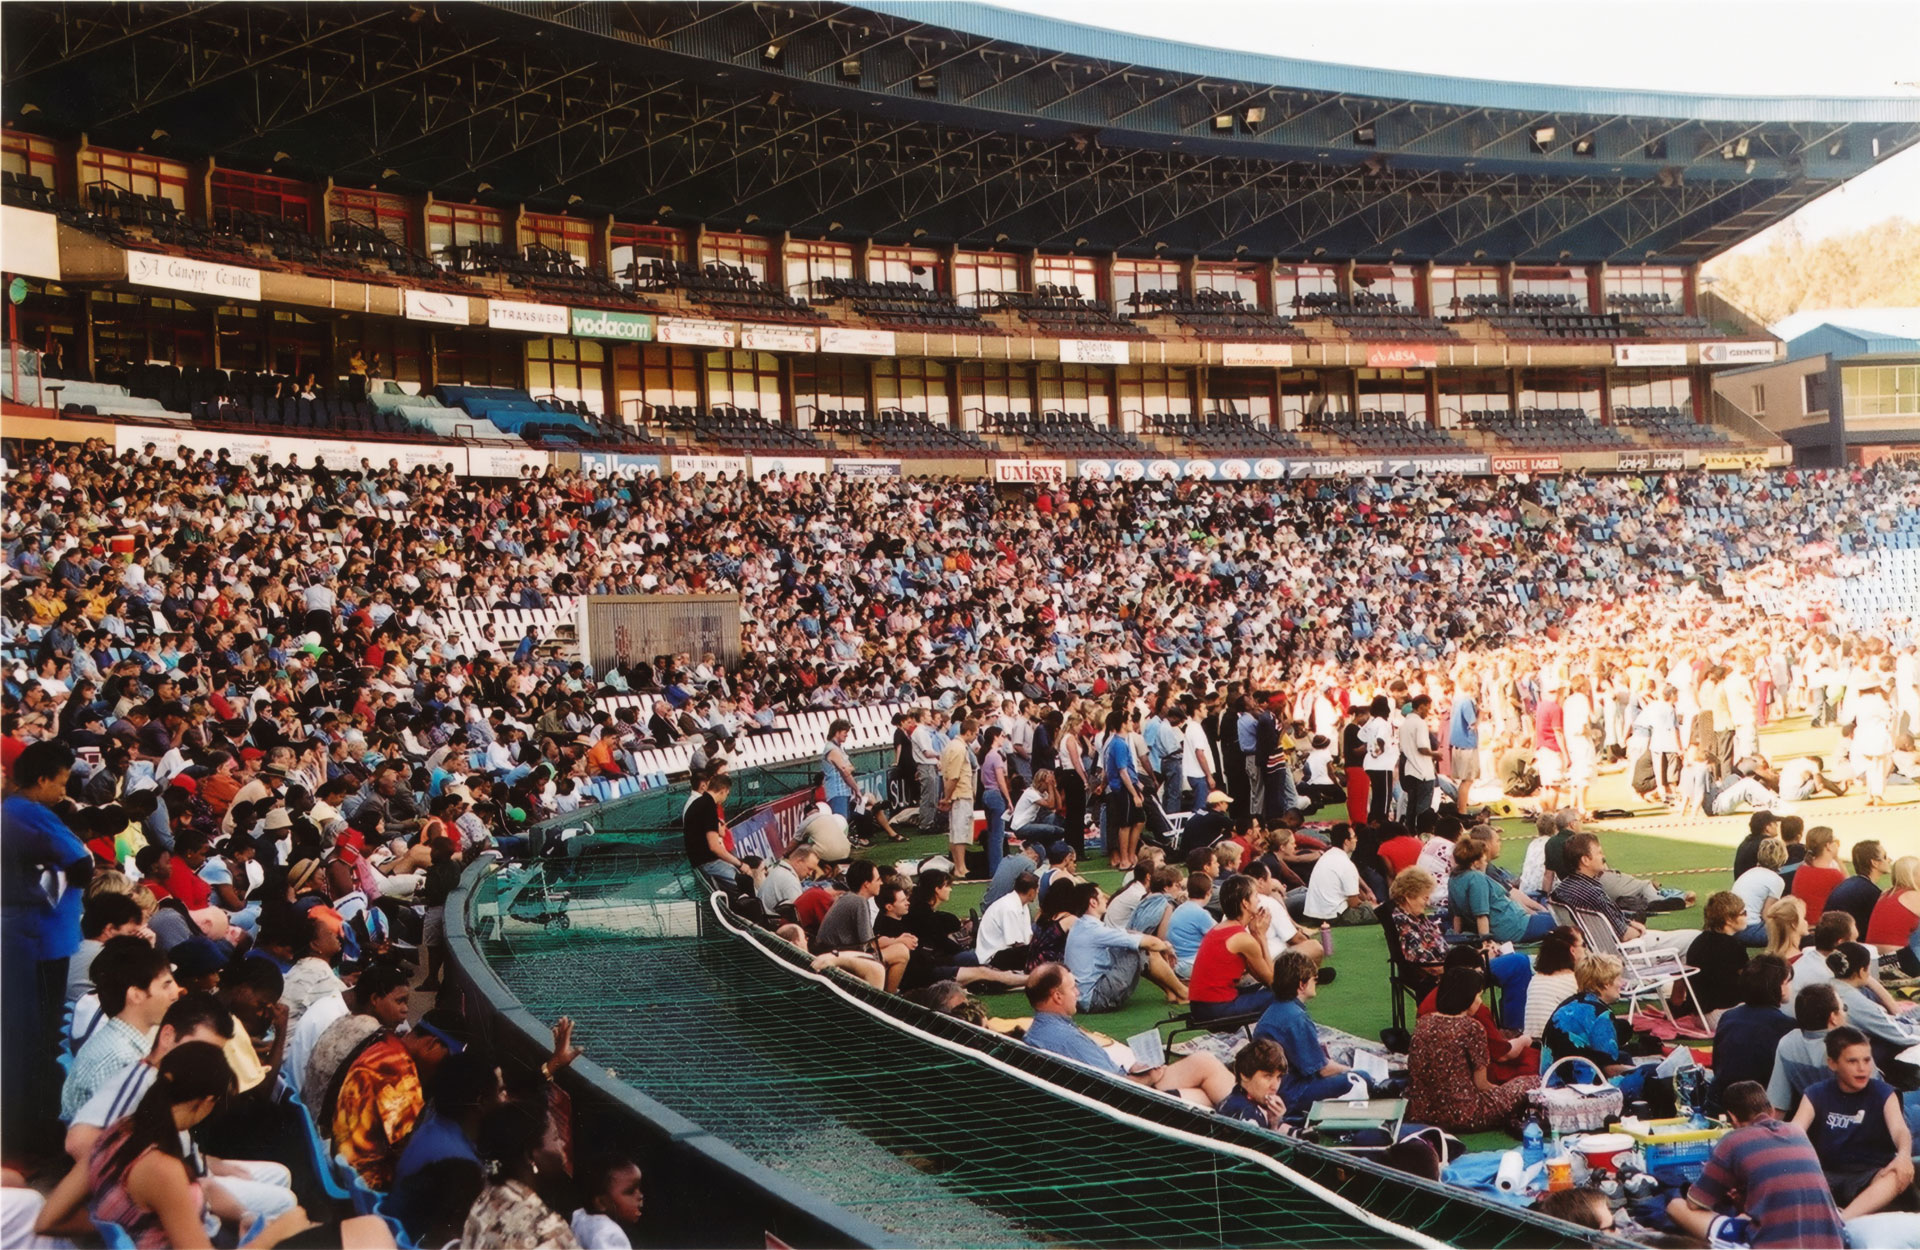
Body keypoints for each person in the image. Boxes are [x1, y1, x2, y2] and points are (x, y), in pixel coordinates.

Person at [35, 1042, 370, 1250]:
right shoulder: (161, 1170)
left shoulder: (118, 1133)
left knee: (362, 1231)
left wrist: (122, 1226)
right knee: (364, 1231)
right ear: (207, 1101)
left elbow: (48, 1218)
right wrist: (273, 1234)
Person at [3, 740, 92, 1151]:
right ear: (40, 780)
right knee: (41, 1044)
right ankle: (35, 1139)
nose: (63, 790)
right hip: (42, 943)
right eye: (60, 782)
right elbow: (82, 864)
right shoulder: (29, 813)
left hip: (30, 940)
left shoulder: (15, 811)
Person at [1667, 1079, 1846, 1250]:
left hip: (1774, 1244)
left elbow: (1695, 1203)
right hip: (1830, 1241)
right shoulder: (1797, 1132)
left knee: (1675, 1206)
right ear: (1772, 1111)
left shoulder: (1733, 1140)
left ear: (1732, 1117)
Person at [1020, 963, 1232, 1105]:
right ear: (1057, 996)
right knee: (1204, 1095)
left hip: (1114, 1091)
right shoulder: (1066, 1039)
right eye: (1073, 987)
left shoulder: (1041, 1031)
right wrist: (1149, 1076)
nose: (1077, 993)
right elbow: (1118, 1088)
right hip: (1129, 1104)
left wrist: (1134, 1069)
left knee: (1204, 1061)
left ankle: (1253, 1114)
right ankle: (1253, 1124)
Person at [1789, 1026, 1915, 1218]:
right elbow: (1794, 1133)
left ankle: (1843, 1220)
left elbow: (1900, 1130)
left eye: (1866, 1060)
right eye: (1852, 1061)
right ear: (1832, 1063)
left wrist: (1904, 1155)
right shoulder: (1815, 1093)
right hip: (1825, 1176)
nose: (1862, 1068)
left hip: (1871, 1176)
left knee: (1896, 1175)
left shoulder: (1883, 1093)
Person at [1406, 966, 1541, 1133]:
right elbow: (1482, 1084)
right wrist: (1505, 1094)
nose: (1480, 1001)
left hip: (1422, 1112)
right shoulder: (1471, 1027)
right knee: (1532, 1081)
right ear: (1466, 996)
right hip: (1465, 1114)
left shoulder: (1424, 1022)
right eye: (1478, 995)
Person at [62, 937, 181, 1122]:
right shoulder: (121, 1060)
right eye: (166, 985)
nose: (176, 993)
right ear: (136, 995)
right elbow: (119, 1142)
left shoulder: (123, 1042)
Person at [1255, 951, 1378, 1118]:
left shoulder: (1276, 1008)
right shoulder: (1295, 1017)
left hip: (1275, 1088)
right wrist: (1352, 1069)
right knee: (1361, 1077)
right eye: (1314, 979)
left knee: (1342, 1067)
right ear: (1302, 984)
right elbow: (1322, 1070)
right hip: (1290, 1094)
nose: (1316, 982)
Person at [1549, 832, 1697, 960]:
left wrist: (1629, 923)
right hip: (1623, 954)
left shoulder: (1561, 890)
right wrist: (1639, 929)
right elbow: (1624, 935)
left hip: (1595, 954)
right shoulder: (1592, 892)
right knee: (1695, 939)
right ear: (1585, 860)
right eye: (1599, 853)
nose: (1603, 856)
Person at [465, 1100, 582, 1249]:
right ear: (530, 1157)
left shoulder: (486, 1198)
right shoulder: (547, 1232)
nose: (562, 1145)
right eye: (555, 1138)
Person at [1062, 882, 1186, 1011]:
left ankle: (1172, 992)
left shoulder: (1081, 925)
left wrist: (1158, 944)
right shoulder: (1093, 930)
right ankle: (1183, 992)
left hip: (1083, 996)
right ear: (1093, 902)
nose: (1106, 899)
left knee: (1136, 945)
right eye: (1101, 897)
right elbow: (1150, 943)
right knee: (1140, 949)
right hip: (1095, 997)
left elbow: (1126, 933)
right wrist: (1166, 947)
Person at [1541, 954, 1647, 1099]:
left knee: (1625, 1057)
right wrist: (1641, 1070)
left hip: (1551, 1080)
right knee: (1650, 1075)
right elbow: (1610, 1069)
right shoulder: (1600, 1014)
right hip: (1580, 1088)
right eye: (1617, 978)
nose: (1621, 983)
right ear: (1605, 983)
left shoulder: (1570, 1003)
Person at [1822, 944, 1920, 1081]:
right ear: (1862, 971)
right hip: (1864, 1055)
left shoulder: (1831, 985)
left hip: (1844, 1051)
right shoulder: (1855, 1001)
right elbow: (1899, 1034)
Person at [1187, 876, 1277, 1023]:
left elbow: (1261, 976)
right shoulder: (1242, 939)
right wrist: (1260, 936)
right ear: (1245, 903)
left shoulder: (1220, 928)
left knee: (1261, 989)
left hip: (1199, 1006)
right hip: (1216, 1009)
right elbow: (1272, 981)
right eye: (1255, 896)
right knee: (1286, 993)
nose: (1259, 900)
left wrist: (1255, 933)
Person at [1710, 957, 1797, 1106]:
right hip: (1759, 1104)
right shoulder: (1786, 1026)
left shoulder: (1729, 1017)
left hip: (1723, 1098)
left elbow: (1717, 1064)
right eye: (1787, 982)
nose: (1790, 987)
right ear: (1779, 986)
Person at [1449, 836, 1555, 944]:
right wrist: (1487, 943)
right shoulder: (1476, 878)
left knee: (1552, 916)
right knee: (1562, 921)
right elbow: (1481, 915)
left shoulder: (1454, 879)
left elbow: (1457, 915)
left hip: (1514, 922)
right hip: (1514, 927)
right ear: (1476, 863)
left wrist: (1456, 938)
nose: (1486, 863)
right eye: (1484, 860)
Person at [1771, 984, 1848, 1118]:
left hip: (1812, 1124)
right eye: (1843, 1008)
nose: (1845, 1013)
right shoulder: (1849, 1046)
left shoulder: (1788, 1043)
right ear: (1833, 1017)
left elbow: (1778, 1104)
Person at [1688, 892, 1753, 1015]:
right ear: (1728, 919)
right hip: (1724, 1013)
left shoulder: (1698, 941)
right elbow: (1749, 980)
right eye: (1743, 913)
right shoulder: (1732, 945)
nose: (1746, 917)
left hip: (1699, 1014)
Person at [1522, 927, 1586, 1043]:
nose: (1586, 950)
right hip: (1558, 1046)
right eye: (1583, 945)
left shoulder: (1536, 979)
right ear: (1572, 951)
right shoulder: (1573, 981)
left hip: (1532, 1043)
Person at [1303, 823, 1374, 927]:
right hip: (1333, 916)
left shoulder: (1327, 856)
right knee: (1378, 911)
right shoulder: (1346, 864)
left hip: (1315, 915)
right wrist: (1369, 906)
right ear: (1346, 842)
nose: (1356, 840)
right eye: (1354, 837)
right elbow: (1353, 903)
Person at [683, 773, 746, 888]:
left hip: (700, 862)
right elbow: (714, 847)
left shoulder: (698, 803)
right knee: (745, 883)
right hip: (708, 863)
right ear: (723, 790)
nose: (726, 797)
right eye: (727, 793)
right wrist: (740, 864)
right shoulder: (709, 807)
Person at [1216, 1038, 1291, 1132]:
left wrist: (1274, 1122)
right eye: (1268, 1076)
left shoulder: (1238, 1097)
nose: (1275, 1086)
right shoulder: (1246, 1115)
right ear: (1245, 1075)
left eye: (1279, 1077)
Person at [937, 714, 979, 881]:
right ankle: (961, 868)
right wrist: (947, 798)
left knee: (957, 832)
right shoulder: (958, 748)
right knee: (960, 833)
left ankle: (960, 867)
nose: (976, 736)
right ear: (968, 732)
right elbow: (953, 777)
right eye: (975, 733)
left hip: (959, 794)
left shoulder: (953, 746)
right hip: (960, 795)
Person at [570, 1155, 644, 1250]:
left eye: (639, 1188)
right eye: (630, 1191)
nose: (640, 1196)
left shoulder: (582, 1218)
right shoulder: (610, 1235)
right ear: (601, 1203)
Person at [1732, 838, 1792, 948]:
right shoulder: (1776, 880)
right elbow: (1767, 914)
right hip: (1748, 930)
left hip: (1733, 927)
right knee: (1791, 931)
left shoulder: (1750, 872)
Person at [1829, 841, 1890, 941]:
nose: (1889, 860)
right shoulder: (1870, 892)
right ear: (1874, 863)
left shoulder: (1849, 884)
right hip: (1847, 947)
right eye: (1885, 857)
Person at [976, 871, 1038, 970]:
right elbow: (1016, 943)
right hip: (992, 957)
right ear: (1031, 891)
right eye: (1036, 889)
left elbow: (1027, 938)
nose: (1037, 892)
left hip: (1006, 952)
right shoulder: (1009, 908)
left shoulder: (1023, 905)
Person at [1792, 827, 1847, 921]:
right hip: (1821, 926)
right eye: (1835, 841)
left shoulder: (1802, 869)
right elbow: (1850, 890)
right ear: (1828, 845)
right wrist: (1837, 859)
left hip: (1801, 922)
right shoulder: (1833, 875)